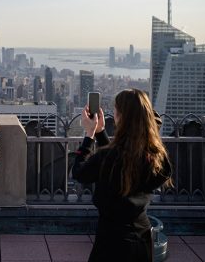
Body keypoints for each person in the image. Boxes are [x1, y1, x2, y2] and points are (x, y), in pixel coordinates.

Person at [72, 89, 173, 262]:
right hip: (142, 236)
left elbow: (80, 173)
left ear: (121, 117)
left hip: (111, 240)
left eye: (116, 111)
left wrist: (89, 135)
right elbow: (122, 163)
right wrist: (101, 132)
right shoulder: (156, 155)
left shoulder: (108, 157)